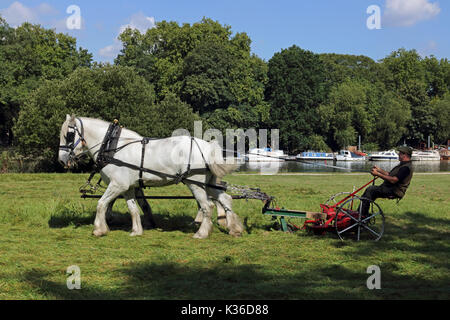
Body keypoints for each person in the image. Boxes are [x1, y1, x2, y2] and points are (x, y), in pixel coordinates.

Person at [360, 146, 414, 216]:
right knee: (369, 195)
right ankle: (361, 214)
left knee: (370, 190)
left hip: (394, 191)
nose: (398, 154)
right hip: (389, 188)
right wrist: (379, 170)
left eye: (400, 153)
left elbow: (394, 180)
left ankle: (361, 216)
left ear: (405, 155)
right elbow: (390, 174)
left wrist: (378, 174)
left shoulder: (406, 168)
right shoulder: (403, 165)